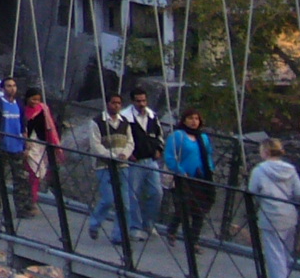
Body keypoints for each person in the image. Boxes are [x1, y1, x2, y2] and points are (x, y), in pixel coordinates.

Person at [248, 138, 300, 278]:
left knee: (275, 257)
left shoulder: (260, 170)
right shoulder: (291, 170)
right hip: (289, 215)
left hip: (270, 216)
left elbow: (252, 191)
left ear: (265, 152)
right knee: (285, 256)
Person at [85, 92, 136, 246]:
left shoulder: (125, 122)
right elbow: (96, 145)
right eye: (113, 103)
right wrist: (111, 156)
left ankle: (120, 235)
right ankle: (94, 223)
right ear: (107, 104)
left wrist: (125, 154)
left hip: (122, 165)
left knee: (125, 203)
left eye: (119, 103)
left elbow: (130, 142)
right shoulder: (97, 122)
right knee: (108, 198)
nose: (116, 106)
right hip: (104, 165)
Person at [165, 108, 216, 249]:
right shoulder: (178, 136)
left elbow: (208, 155)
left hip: (201, 178)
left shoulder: (203, 138)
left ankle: (194, 241)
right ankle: (172, 230)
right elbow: (170, 157)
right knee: (184, 207)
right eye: (190, 118)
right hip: (184, 178)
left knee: (200, 210)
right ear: (184, 120)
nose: (194, 122)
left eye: (196, 119)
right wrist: (180, 171)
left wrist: (210, 168)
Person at [121, 87, 166, 240]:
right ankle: (135, 227)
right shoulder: (125, 117)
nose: (141, 104)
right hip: (134, 162)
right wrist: (128, 154)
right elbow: (121, 137)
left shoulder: (152, 116)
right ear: (132, 101)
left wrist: (159, 149)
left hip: (151, 160)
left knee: (157, 192)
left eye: (144, 100)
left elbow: (159, 135)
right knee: (133, 195)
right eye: (138, 101)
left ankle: (149, 223)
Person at [0, 76, 31, 217]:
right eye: (8, 86)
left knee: (20, 179)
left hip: (17, 146)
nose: (12, 89)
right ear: (2, 88)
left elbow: (23, 125)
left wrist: (26, 143)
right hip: (1, 146)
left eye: (14, 86)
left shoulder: (19, 104)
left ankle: (22, 209)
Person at [22, 83, 61, 213]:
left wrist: (56, 145)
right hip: (28, 145)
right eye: (33, 99)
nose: (35, 102)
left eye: (38, 100)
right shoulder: (22, 110)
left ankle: (31, 200)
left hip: (41, 145)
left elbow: (50, 127)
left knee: (38, 174)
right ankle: (31, 202)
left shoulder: (43, 109)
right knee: (33, 173)